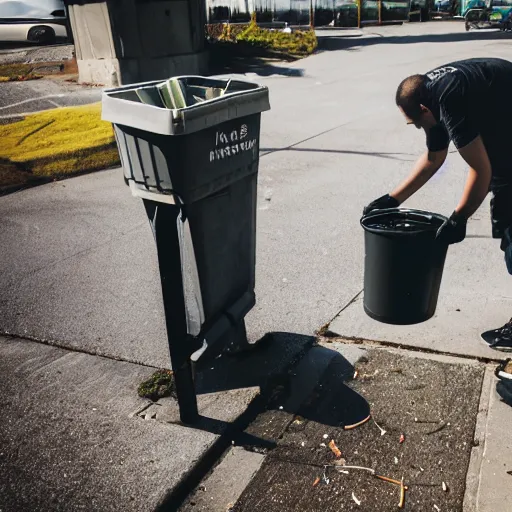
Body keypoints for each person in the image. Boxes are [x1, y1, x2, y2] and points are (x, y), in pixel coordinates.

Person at [363, 58, 512, 352]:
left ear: (424, 111)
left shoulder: (450, 100)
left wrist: (459, 217)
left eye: (416, 122)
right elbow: (434, 158)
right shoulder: (430, 94)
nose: (419, 128)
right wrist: (393, 200)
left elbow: (482, 171)